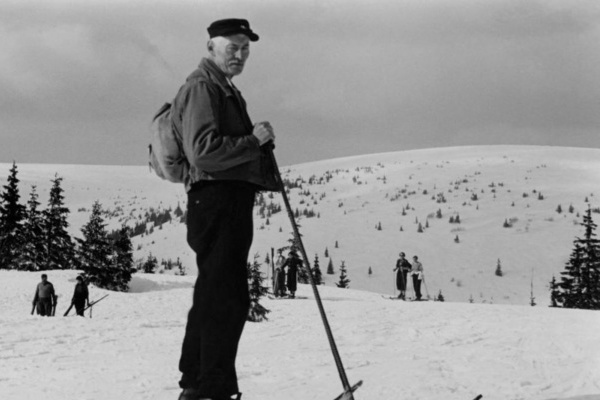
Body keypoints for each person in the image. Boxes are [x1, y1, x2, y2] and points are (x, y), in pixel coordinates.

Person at [173, 18, 278, 400]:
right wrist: (253, 141)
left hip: (222, 200)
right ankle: (209, 387)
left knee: (217, 294)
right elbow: (204, 151)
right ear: (211, 47)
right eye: (231, 47)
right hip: (216, 199)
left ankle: (199, 384)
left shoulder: (222, 88)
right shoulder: (203, 87)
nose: (240, 54)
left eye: (245, 47)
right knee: (225, 297)